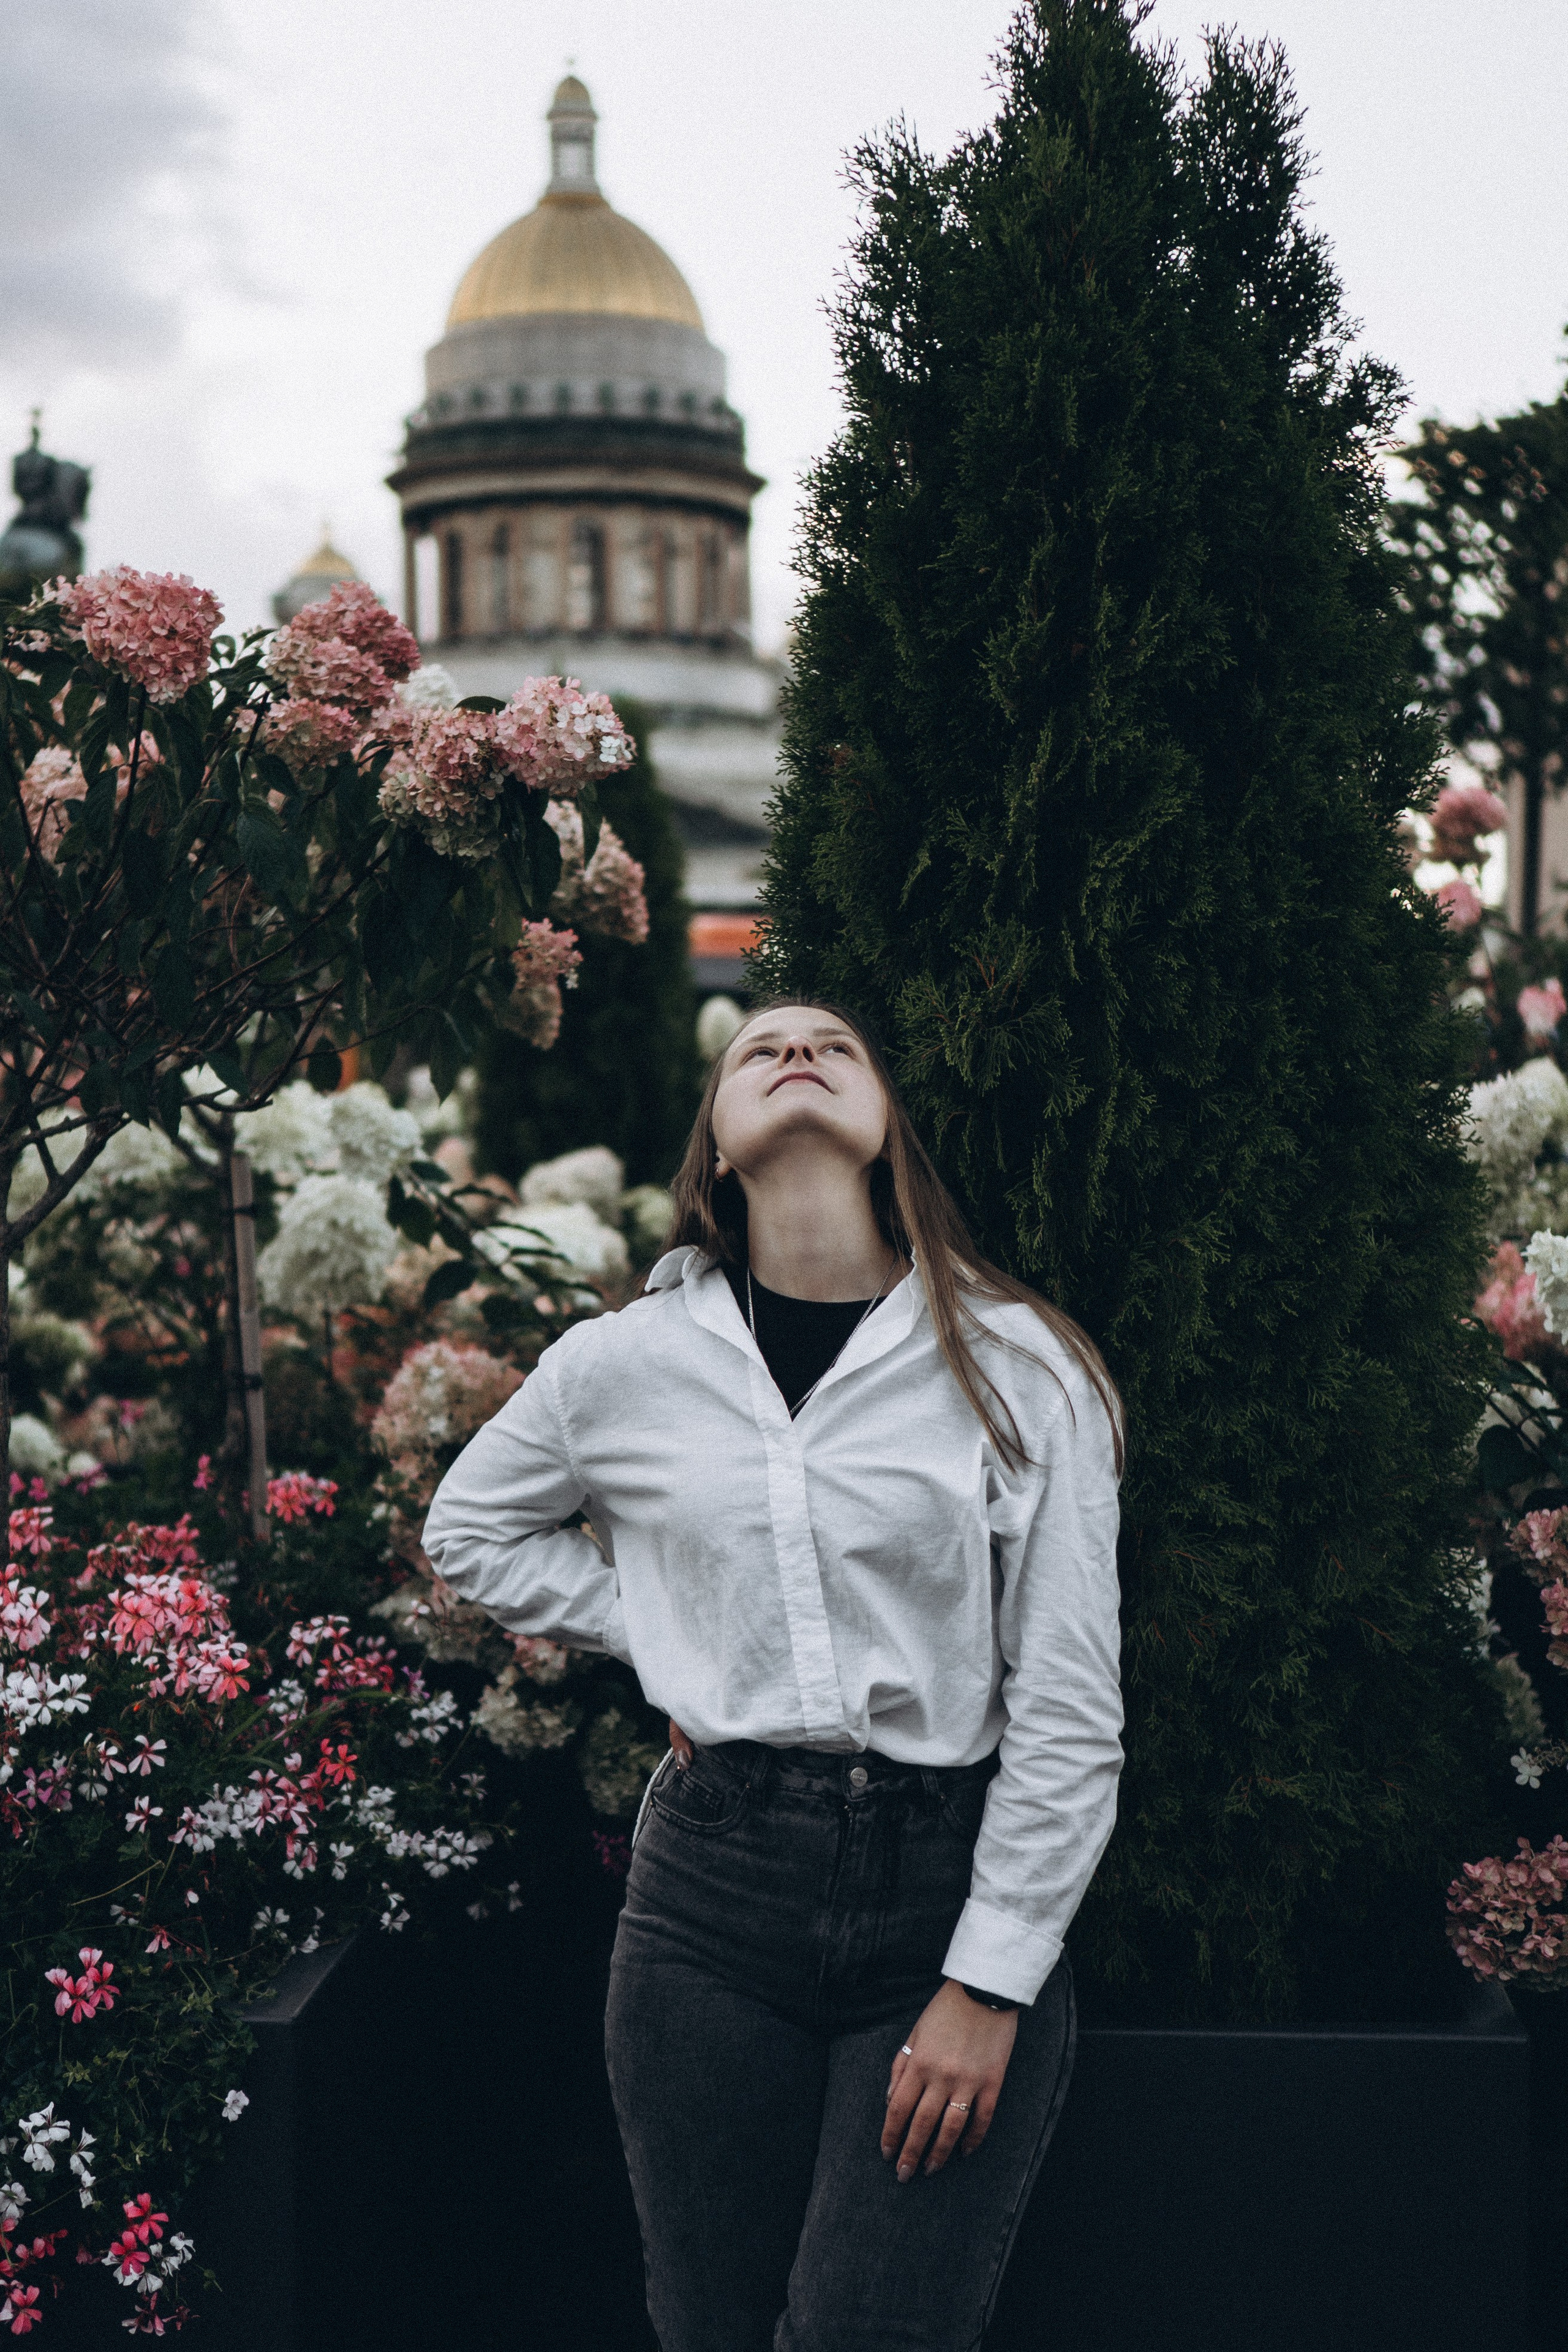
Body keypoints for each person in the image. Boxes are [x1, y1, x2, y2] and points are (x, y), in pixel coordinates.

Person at [423, 998, 1125, 2352]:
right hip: (707, 1909)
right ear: (716, 1153)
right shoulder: (619, 1367)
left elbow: (1070, 1703)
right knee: (711, 2329)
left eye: (833, 1047)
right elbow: (470, 1530)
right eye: (758, 1049)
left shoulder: (1016, 1364)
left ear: (883, 1134)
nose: (794, 1052)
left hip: (944, 1898)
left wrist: (988, 1987)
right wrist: (672, 1636)